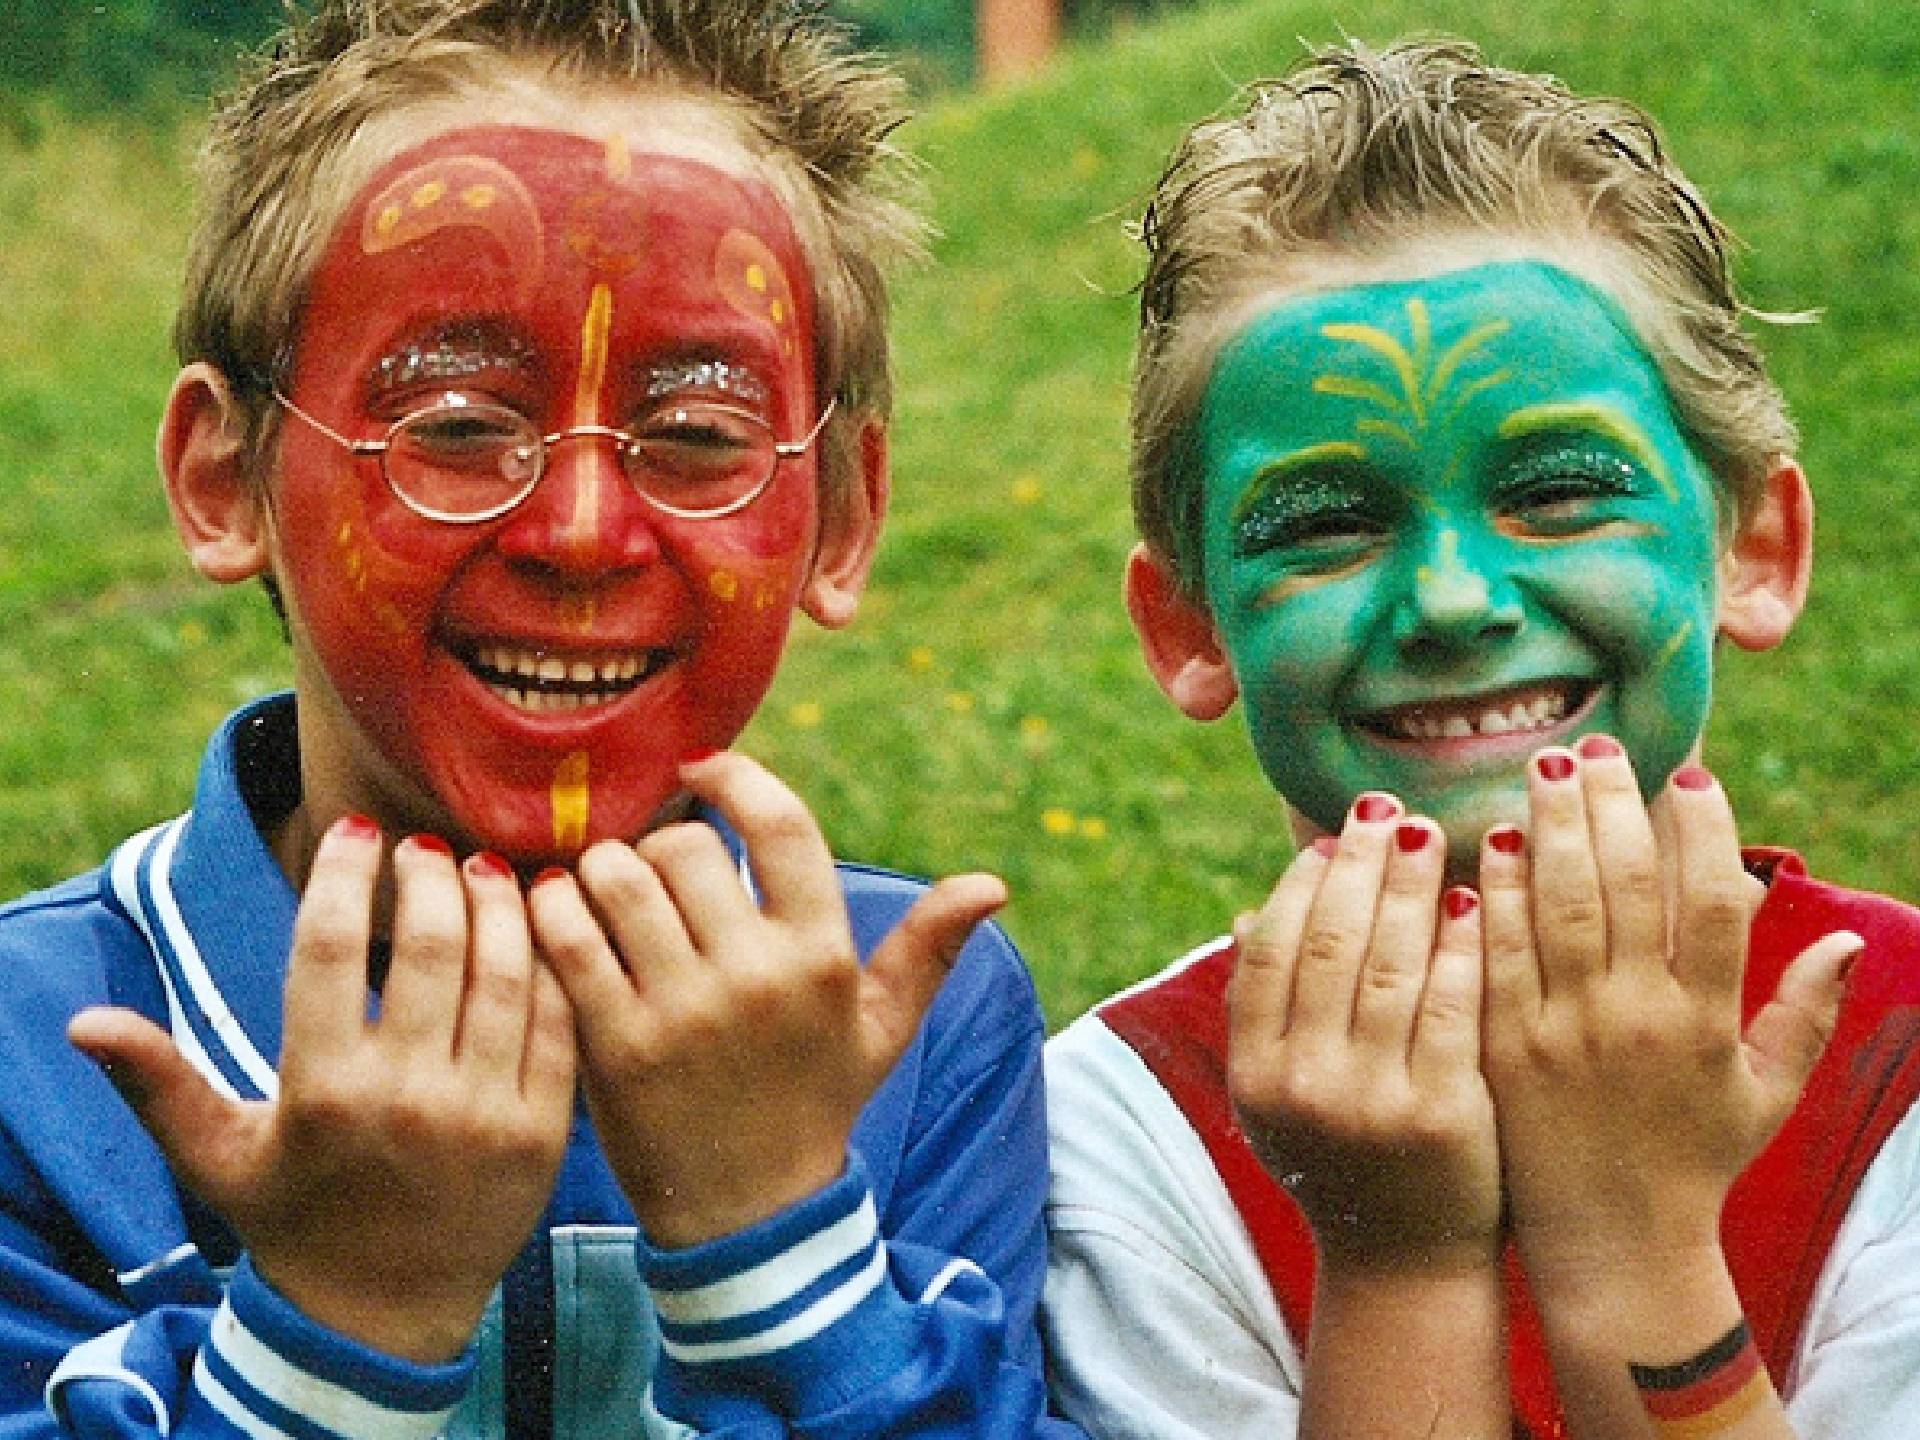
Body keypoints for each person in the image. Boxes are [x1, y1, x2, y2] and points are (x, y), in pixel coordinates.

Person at [0, 3, 1077, 1436]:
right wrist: (343, 1319)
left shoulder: (904, 1025)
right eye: (455, 422)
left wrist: (773, 1223)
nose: (579, 530)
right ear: (226, 477)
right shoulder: (41, 1052)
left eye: (699, 438)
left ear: (846, 514)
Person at [1042, 38, 1920, 1440]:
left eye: (1560, 492)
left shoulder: (1902, 1059)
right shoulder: (1123, 1131)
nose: (1454, 601)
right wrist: (1396, 1259)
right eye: (1326, 521)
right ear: (1190, 629)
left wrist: (1629, 1245)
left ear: (1755, 545)